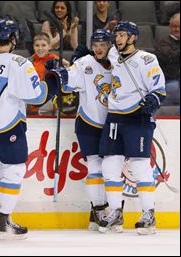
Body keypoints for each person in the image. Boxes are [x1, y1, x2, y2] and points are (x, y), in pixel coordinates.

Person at [0, 18, 59, 240]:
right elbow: (37, 96)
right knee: (14, 170)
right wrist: (54, 81)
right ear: (13, 38)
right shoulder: (18, 63)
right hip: (6, 126)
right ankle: (3, 221)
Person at [98, 21, 166, 234]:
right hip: (115, 118)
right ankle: (116, 212)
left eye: (122, 35)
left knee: (140, 166)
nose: (117, 39)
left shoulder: (147, 59)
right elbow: (96, 50)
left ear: (133, 37)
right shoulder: (113, 56)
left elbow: (159, 88)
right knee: (109, 166)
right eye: (116, 35)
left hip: (138, 117)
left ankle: (149, 214)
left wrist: (152, 100)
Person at [46, 29, 113, 230]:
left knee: (110, 168)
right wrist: (58, 73)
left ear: (110, 45)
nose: (99, 49)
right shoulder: (84, 63)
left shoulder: (119, 64)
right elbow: (67, 84)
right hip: (88, 123)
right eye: (96, 45)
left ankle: (98, 214)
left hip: (112, 124)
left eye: (103, 45)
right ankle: (99, 209)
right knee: (94, 166)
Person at [28, 32, 69, 115]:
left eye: (43, 45)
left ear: (49, 46)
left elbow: (67, 64)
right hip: (31, 98)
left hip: (48, 101)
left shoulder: (53, 59)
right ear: (33, 46)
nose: (40, 48)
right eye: (37, 45)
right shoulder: (30, 60)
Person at [155, 12, 180, 106]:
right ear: (170, 27)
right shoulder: (163, 42)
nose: (177, 29)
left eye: (179, 27)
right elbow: (171, 57)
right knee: (174, 88)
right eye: (174, 26)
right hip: (170, 79)